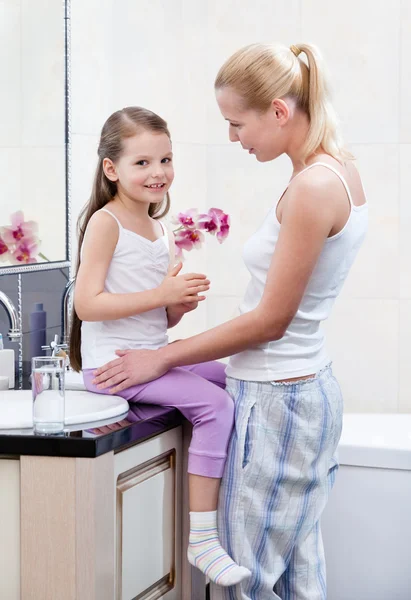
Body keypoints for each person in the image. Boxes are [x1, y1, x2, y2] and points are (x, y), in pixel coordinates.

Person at [92, 43, 368, 600]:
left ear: (279, 111)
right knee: (296, 572)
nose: (233, 138)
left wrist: (163, 354)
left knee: (251, 581)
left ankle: (201, 540)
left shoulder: (314, 186)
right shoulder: (334, 173)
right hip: (297, 390)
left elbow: (270, 321)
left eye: (237, 123)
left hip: (278, 398)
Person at [69, 106, 251, 587]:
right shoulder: (106, 223)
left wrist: (178, 306)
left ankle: (228, 504)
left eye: (166, 160)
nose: (158, 173)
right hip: (116, 366)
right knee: (213, 405)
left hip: (148, 357)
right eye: (143, 163)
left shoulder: (158, 227)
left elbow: (156, 316)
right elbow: (88, 304)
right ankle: (204, 539)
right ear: (112, 169)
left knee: (234, 376)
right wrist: (161, 296)